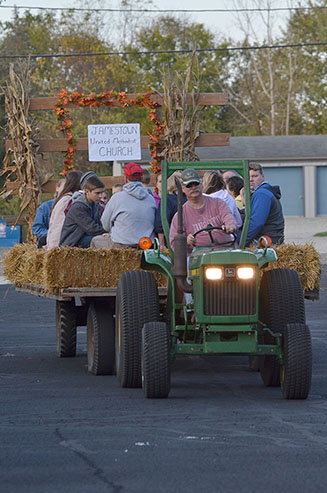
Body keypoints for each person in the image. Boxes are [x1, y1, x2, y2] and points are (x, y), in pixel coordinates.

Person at [91, 162, 156, 249]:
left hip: (121, 245)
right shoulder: (151, 199)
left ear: (125, 179)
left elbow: (105, 225)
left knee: (95, 241)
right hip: (145, 245)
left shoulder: (117, 198)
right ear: (141, 178)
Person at [169, 168, 237, 252]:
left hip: (224, 250)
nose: (193, 187)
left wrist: (230, 225)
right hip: (197, 256)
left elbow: (228, 216)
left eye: (196, 183)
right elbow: (174, 244)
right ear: (183, 189)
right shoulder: (180, 215)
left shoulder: (218, 203)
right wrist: (186, 241)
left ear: (201, 184)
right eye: (189, 185)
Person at [240, 162, 284, 246]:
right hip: (274, 238)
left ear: (262, 177)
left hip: (267, 241)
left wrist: (241, 242)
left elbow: (256, 223)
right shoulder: (264, 192)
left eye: (255, 176)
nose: (251, 179)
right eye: (248, 176)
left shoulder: (262, 194)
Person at [59, 174, 107, 248]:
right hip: (73, 243)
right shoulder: (78, 207)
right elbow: (91, 228)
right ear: (87, 191)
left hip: (85, 238)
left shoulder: (95, 204)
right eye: (97, 193)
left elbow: (98, 224)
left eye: (102, 192)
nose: (100, 196)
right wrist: (108, 233)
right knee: (104, 242)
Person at [46, 171, 83, 249]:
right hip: (59, 245)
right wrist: (54, 247)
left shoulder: (66, 198)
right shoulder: (67, 200)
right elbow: (58, 224)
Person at [154, 171, 186, 249]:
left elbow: (161, 222)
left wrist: (161, 245)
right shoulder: (186, 198)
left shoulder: (167, 200)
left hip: (172, 241)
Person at [32, 178, 65, 247]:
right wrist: (52, 234)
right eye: (64, 188)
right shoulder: (45, 207)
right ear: (57, 188)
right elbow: (37, 228)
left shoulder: (73, 206)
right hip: (48, 243)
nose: (66, 191)